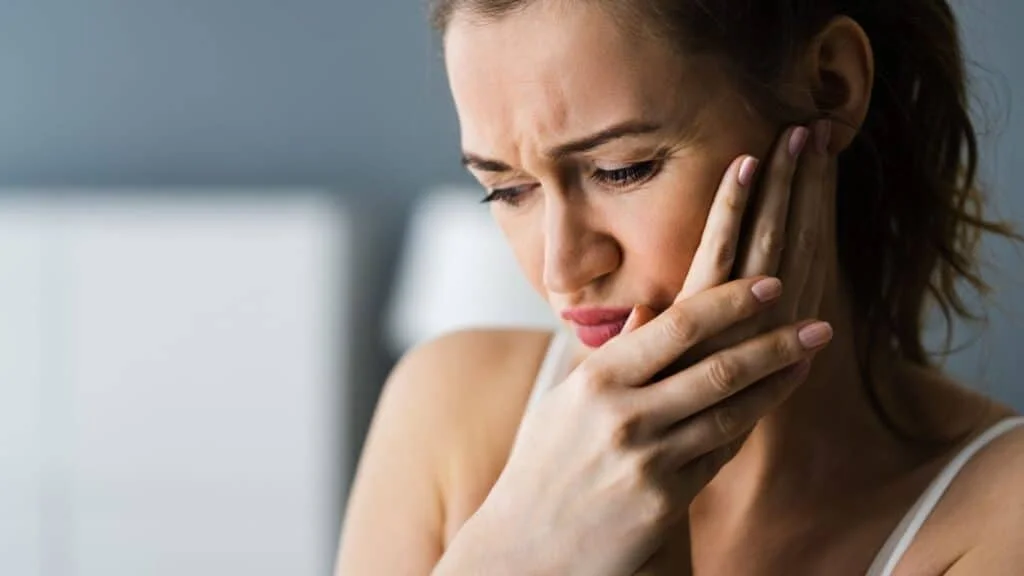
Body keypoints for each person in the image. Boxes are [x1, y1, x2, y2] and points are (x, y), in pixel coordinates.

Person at [336, 1, 1024, 574]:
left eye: (622, 169)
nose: (562, 268)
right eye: (508, 191)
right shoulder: (448, 412)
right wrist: (511, 549)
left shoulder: (1002, 515)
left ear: (830, 85)